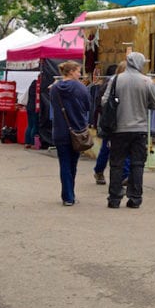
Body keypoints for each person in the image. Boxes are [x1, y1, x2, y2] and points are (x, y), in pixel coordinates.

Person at [102, 52, 155, 209]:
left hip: (118, 128)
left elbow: (104, 101)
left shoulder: (116, 79)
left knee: (116, 164)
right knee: (137, 164)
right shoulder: (147, 81)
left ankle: (114, 198)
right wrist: (142, 103)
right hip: (140, 129)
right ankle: (135, 198)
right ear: (139, 63)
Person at [50, 60, 92, 206]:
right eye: (78, 71)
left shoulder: (54, 89)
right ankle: (70, 194)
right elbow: (88, 106)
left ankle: (68, 196)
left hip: (60, 131)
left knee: (64, 164)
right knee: (73, 164)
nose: (80, 74)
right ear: (71, 72)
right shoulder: (81, 88)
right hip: (77, 131)